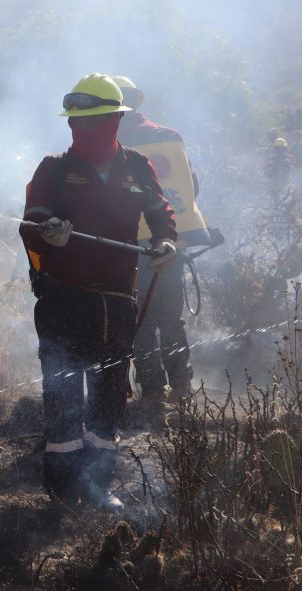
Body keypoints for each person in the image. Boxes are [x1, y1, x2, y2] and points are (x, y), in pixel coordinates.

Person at [20, 74, 177, 509]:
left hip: (116, 302)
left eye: (93, 122)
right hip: (63, 301)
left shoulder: (136, 166)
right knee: (64, 397)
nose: (83, 131)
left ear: (114, 120)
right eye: (77, 123)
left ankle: (99, 487)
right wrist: (46, 234)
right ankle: (62, 492)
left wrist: (165, 242)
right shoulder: (53, 168)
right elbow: (31, 222)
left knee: (109, 394)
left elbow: (160, 213)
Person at [110, 75, 202, 401]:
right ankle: (181, 385)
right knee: (170, 317)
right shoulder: (168, 136)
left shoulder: (111, 142)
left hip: (129, 245)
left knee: (142, 321)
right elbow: (193, 186)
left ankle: (152, 392)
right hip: (171, 241)